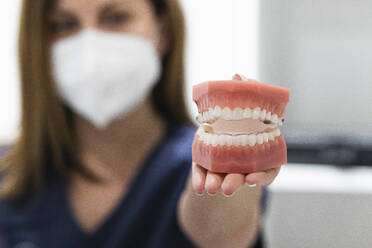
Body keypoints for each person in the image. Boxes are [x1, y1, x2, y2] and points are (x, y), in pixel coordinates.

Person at [0, 0, 281, 247]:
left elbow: (220, 235)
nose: (90, 48)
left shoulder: (186, 163)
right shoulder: (10, 175)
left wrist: (231, 153)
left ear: (164, 32)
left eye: (115, 17)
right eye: (64, 24)